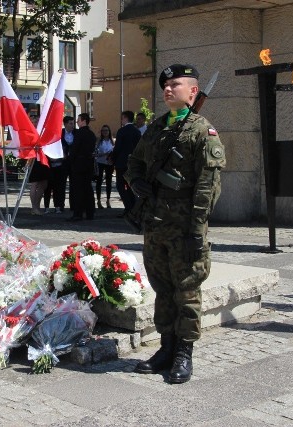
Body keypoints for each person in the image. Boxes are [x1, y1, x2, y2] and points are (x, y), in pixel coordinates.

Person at [125, 64, 225, 384]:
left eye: (176, 84)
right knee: (163, 289)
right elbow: (134, 161)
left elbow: (208, 185)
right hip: (155, 224)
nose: (168, 89)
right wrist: (136, 181)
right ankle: (166, 347)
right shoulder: (156, 128)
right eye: (166, 84)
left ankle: (184, 352)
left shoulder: (202, 131)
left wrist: (197, 229)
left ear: (193, 91)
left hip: (185, 227)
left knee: (187, 290)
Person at [66, 113, 96, 221]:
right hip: (88, 163)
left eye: (78, 120)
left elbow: (74, 149)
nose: (77, 122)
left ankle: (78, 213)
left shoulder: (79, 133)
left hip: (79, 164)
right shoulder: (91, 134)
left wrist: (71, 160)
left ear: (83, 121)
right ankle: (90, 212)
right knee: (88, 188)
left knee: (78, 189)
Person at [111, 111, 141, 217]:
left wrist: (112, 159)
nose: (121, 120)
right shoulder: (137, 131)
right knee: (130, 186)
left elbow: (118, 147)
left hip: (122, 163)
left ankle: (128, 207)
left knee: (120, 186)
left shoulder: (122, 131)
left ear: (125, 118)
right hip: (133, 163)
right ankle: (133, 208)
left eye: (122, 118)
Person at [94, 125, 115, 209]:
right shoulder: (99, 141)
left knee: (109, 181)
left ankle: (108, 200)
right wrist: (103, 154)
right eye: (103, 131)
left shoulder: (112, 141)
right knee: (99, 181)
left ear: (109, 132)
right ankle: (98, 200)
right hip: (100, 162)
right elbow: (95, 154)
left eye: (106, 130)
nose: (105, 132)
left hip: (109, 163)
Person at [59, 116, 75, 212]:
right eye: (70, 123)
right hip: (63, 161)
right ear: (65, 124)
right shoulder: (60, 133)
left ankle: (73, 205)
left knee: (73, 184)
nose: (72, 125)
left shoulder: (76, 133)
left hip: (73, 161)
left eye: (73, 123)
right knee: (61, 184)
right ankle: (61, 204)